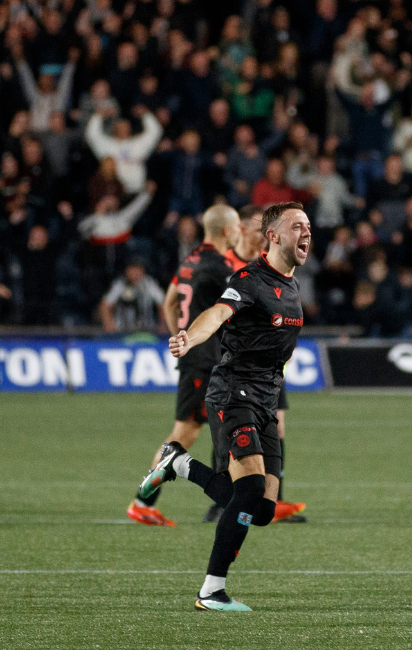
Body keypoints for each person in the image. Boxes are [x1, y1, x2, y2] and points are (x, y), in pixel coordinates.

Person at [138, 201, 312, 611]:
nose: (306, 232)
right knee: (248, 488)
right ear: (272, 236)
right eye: (296, 226)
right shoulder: (250, 279)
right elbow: (217, 313)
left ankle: (178, 464)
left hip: (265, 398)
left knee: (264, 508)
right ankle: (211, 590)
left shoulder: (291, 285)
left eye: (308, 226)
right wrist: (187, 338)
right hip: (234, 393)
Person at [127, 205, 242, 526]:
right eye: (236, 228)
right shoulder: (220, 267)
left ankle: (227, 500)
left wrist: (180, 337)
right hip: (205, 360)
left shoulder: (189, 260)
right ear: (226, 231)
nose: (239, 233)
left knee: (224, 426)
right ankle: (143, 501)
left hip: (199, 356)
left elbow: (169, 302)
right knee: (185, 432)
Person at [219, 205, 306, 524]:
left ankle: (273, 501)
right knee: (237, 436)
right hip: (239, 370)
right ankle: (224, 496)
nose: (257, 235)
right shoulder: (239, 271)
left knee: (276, 426)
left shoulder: (283, 270)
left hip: (271, 371)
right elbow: (220, 313)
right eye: (252, 230)